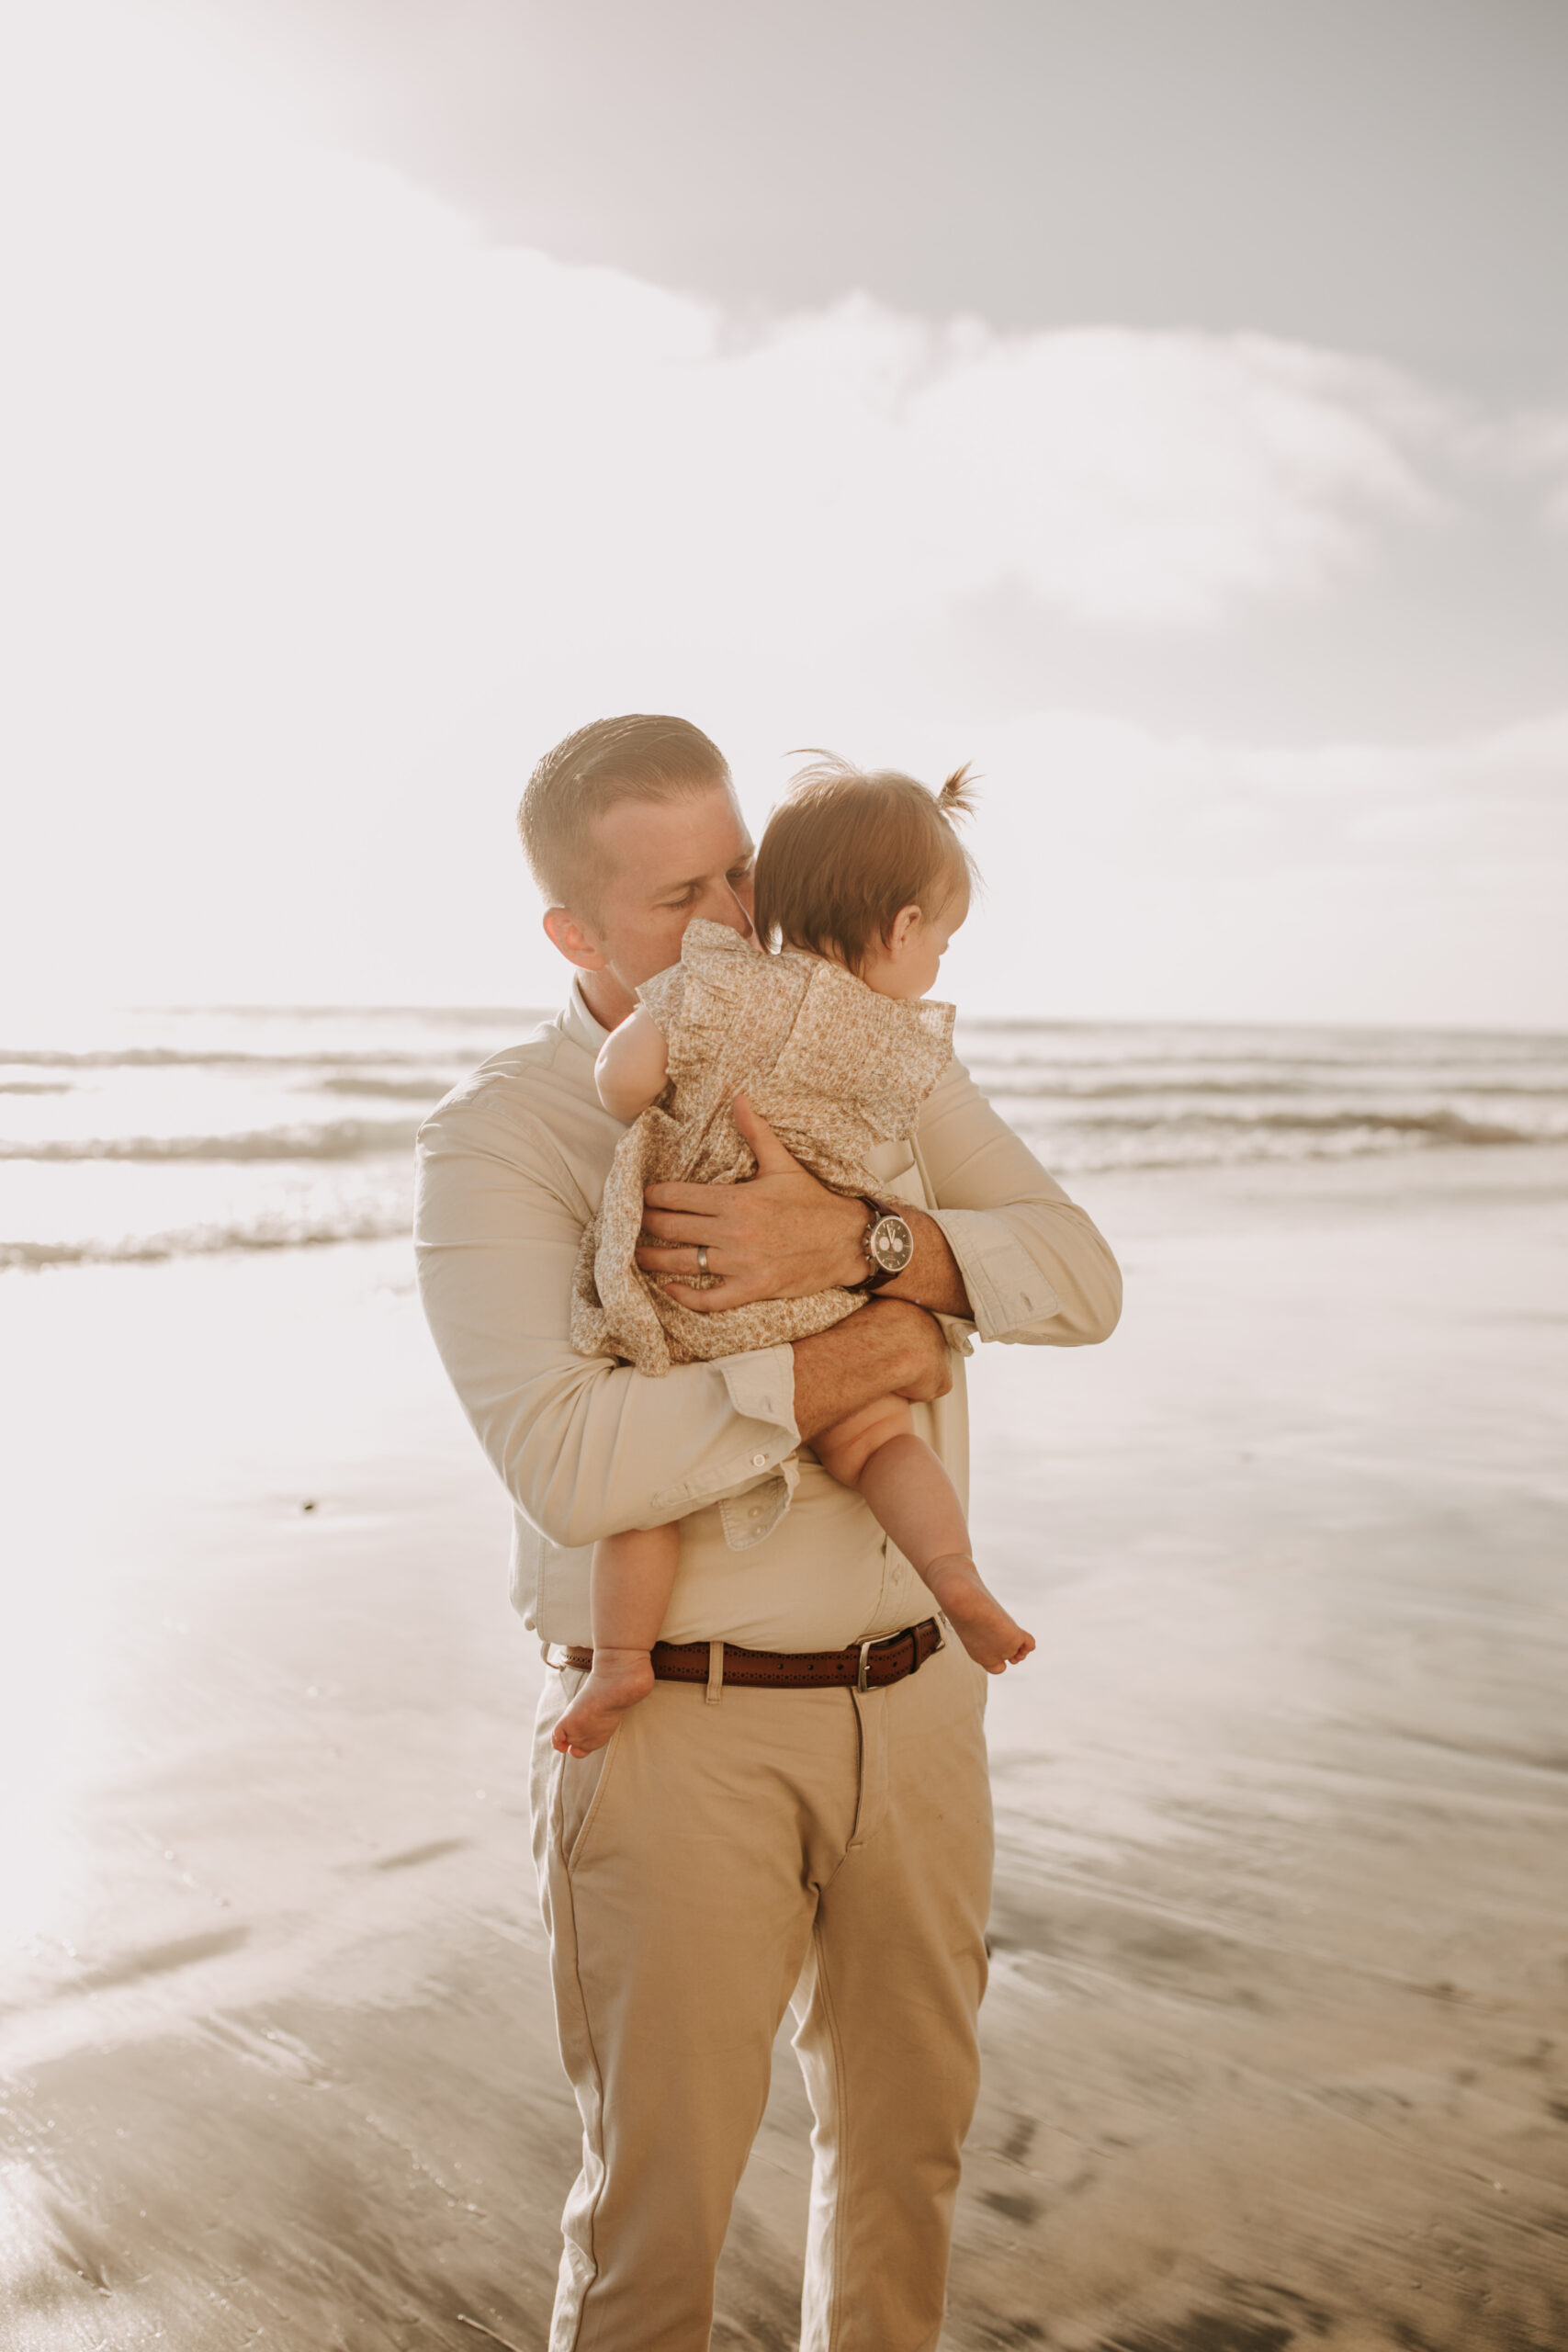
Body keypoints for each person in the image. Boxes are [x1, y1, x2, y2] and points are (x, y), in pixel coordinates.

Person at [414, 713, 1122, 2352]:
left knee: (905, 2179)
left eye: (740, 867)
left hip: (918, 1705)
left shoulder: (860, 1040)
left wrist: (868, 1236)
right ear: (572, 934)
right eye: (679, 896)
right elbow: (572, 1464)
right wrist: (831, 1367)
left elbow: (1075, 1276)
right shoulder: (503, 1136)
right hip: (675, 1733)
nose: (734, 913)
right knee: (657, 2229)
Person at [555, 755, 1034, 1759]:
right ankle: (956, 1577)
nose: (937, 963)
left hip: (690, 1290)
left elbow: (627, 1073)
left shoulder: (710, 983)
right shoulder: (901, 1041)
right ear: (903, 931)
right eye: (940, 942)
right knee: (881, 1440)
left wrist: (630, 1087)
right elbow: (885, 1158)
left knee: (642, 1501)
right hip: (819, 1301)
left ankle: (618, 1661)